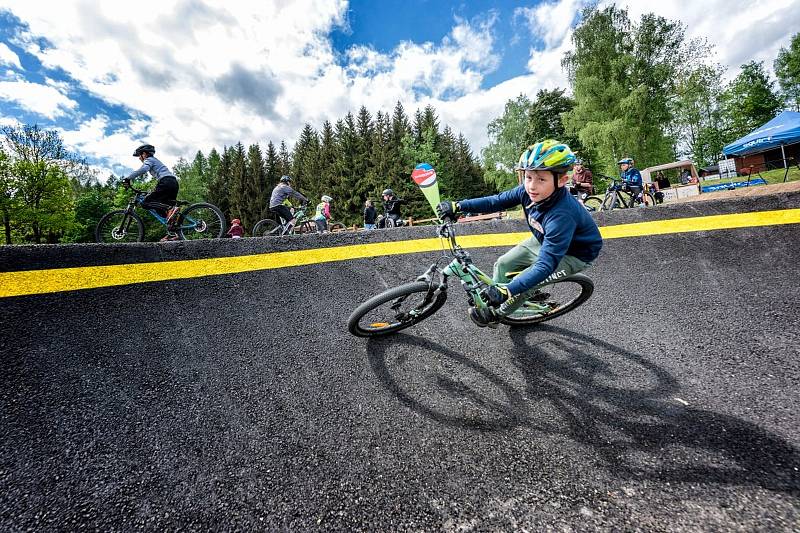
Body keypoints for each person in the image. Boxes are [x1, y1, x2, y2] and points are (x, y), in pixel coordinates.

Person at [436, 139, 603, 328]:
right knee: (503, 264)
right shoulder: (528, 191)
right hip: (544, 239)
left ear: (562, 181)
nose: (532, 185)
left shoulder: (562, 215)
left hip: (574, 254)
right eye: (528, 177)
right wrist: (458, 206)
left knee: (521, 285)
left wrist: (509, 290)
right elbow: (495, 201)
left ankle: (497, 314)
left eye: (541, 179)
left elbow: (546, 264)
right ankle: (498, 297)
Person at [122, 143, 180, 241]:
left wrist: (128, 178)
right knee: (164, 212)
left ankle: (170, 208)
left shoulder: (149, 160)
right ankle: (172, 233)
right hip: (173, 183)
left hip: (166, 182)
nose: (139, 158)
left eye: (139, 156)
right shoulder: (155, 161)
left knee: (145, 203)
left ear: (144, 154)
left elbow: (144, 169)